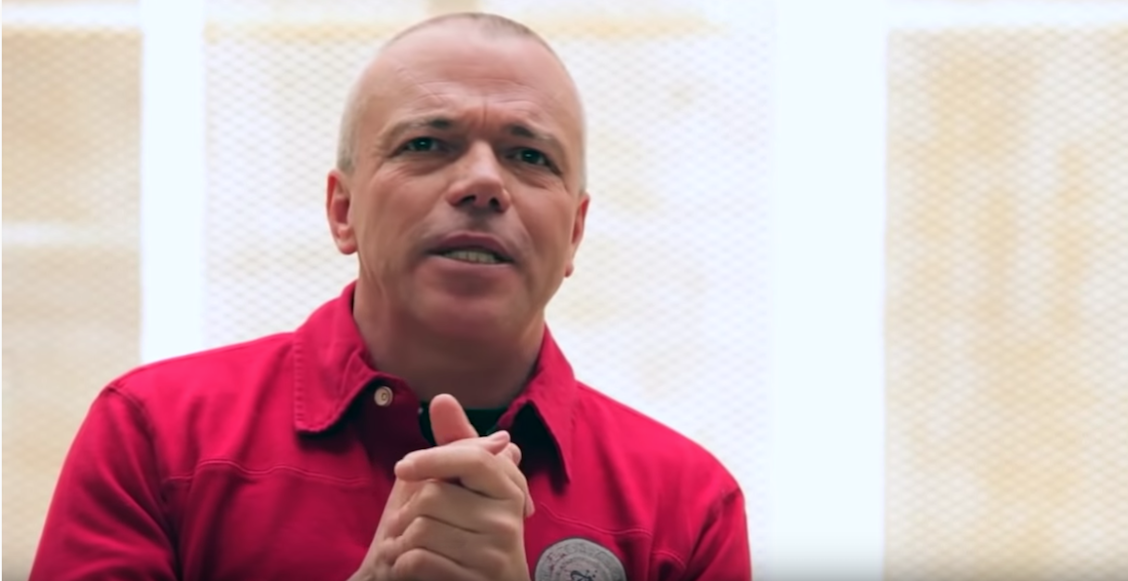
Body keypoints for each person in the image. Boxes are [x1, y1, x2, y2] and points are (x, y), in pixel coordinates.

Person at [29, 12, 751, 581]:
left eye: (529, 155)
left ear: (575, 234)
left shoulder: (688, 510)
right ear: (342, 211)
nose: (482, 182)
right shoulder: (157, 438)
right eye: (426, 144)